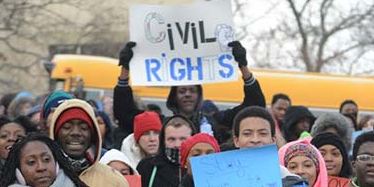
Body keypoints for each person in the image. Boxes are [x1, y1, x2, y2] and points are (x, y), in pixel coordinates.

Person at [113, 40, 263, 142]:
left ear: (199, 96)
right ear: (174, 97)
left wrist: (243, 66)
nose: (187, 94)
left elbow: (255, 107)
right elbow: (124, 113)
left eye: (192, 90)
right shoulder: (162, 124)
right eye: (182, 91)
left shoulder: (217, 121)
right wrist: (125, 69)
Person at [47, 99, 135, 187]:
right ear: (55, 134)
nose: (75, 133)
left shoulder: (115, 181)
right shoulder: (42, 177)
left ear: (93, 135)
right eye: (67, 127)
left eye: (84, 127)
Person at [136, 115, 194, 187]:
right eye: (171, 139)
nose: (177, 144)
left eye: (183, 139)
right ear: (163, 141)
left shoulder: (203, 167)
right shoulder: (147, 167)